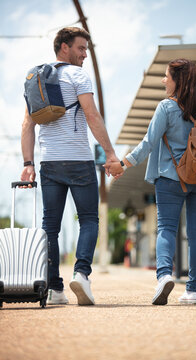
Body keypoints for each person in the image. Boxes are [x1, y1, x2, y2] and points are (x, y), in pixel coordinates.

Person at [104, 58, 196, 305]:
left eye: (167, 76)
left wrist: (122, 165)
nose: (163, 80)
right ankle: (193, 291)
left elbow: (148, 143)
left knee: (167, 228)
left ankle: (165, 275)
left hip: (171, 177)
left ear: (178, 80)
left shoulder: (167, 107)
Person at [21, 27, 119, 306]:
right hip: (78, 161)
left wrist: (28, 163)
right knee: (89, 220)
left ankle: (55, 289)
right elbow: (91, 114)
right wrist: (110, 153)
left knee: (50, 227)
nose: (85, 55)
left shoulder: (35, 78)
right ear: (64, 47)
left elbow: (27, 124)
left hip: (49, 163)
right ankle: (82, 274)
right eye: (80, 48)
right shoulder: (77, 75)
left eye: (86, 50)